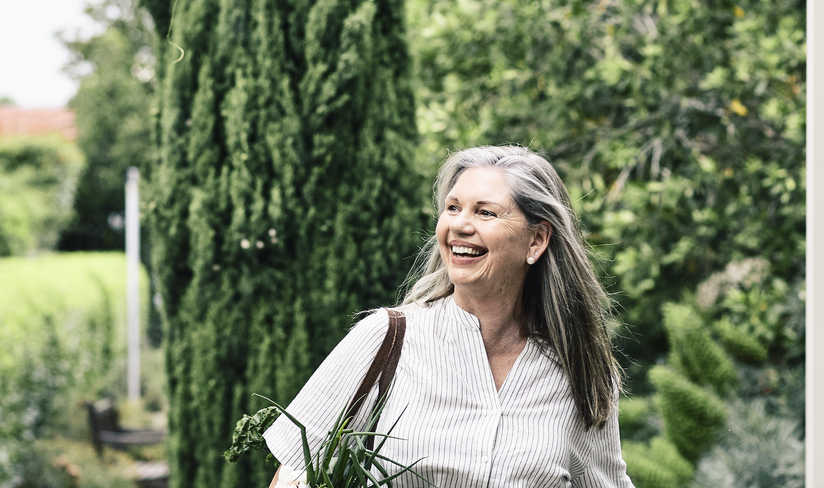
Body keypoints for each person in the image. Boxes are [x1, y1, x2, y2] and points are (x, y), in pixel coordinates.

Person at [263, 146, 634, 487]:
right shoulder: (387, 338)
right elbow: (293, 475)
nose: (459, 224)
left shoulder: (579, 369)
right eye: (453, 208)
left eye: (485, 212)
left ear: (536, 240)